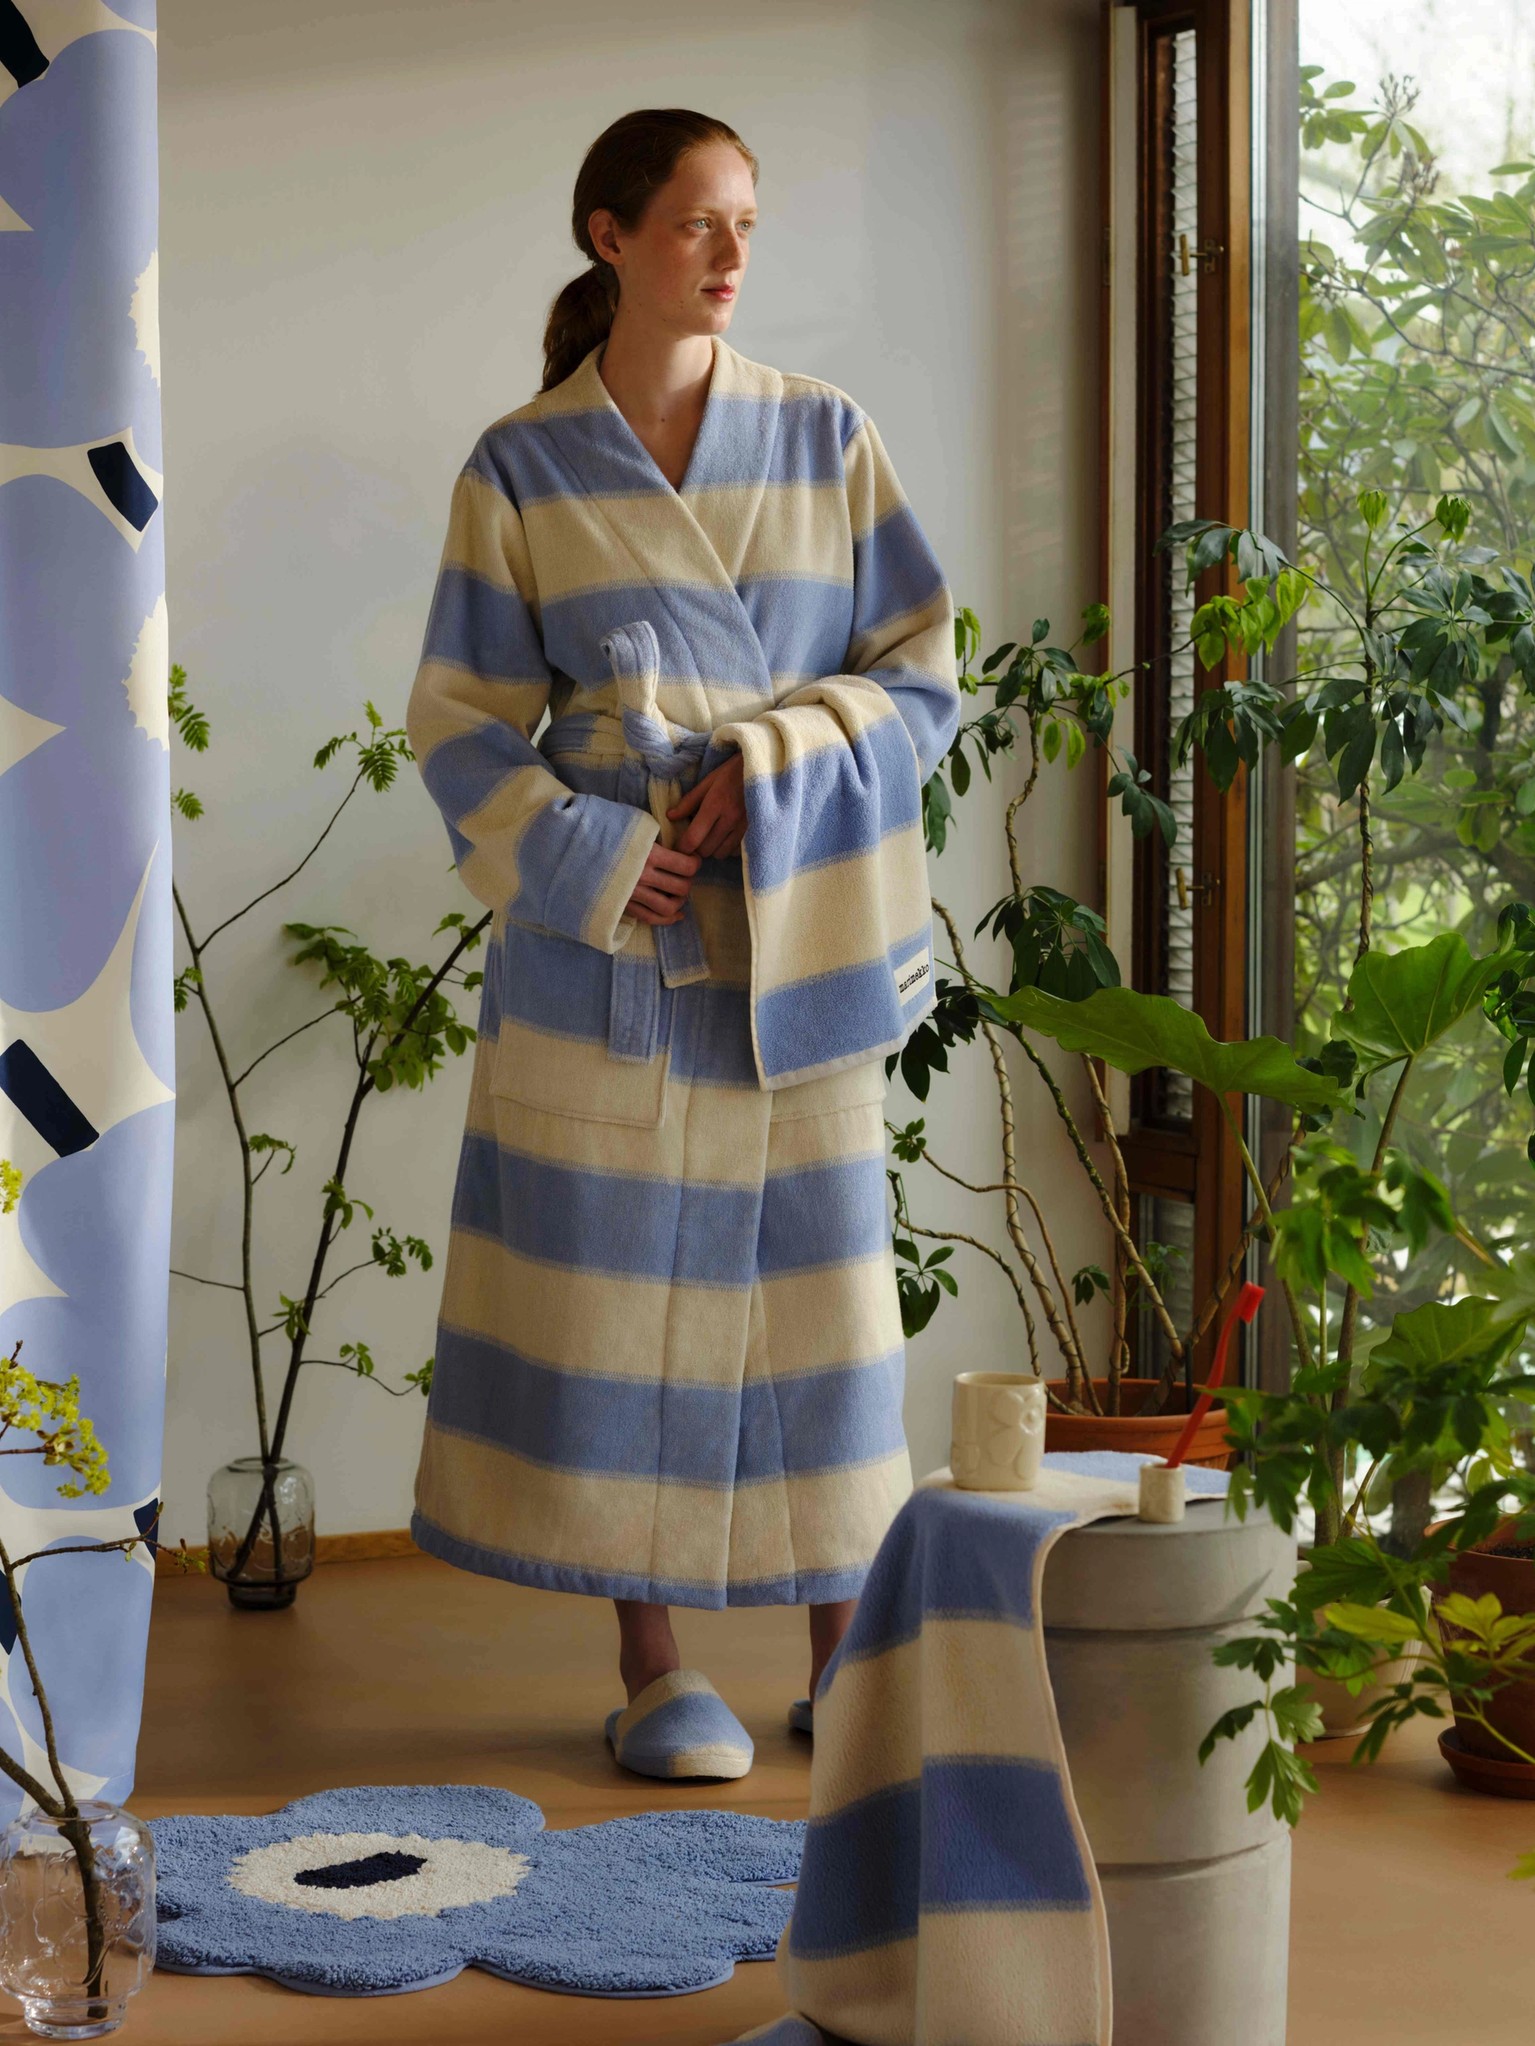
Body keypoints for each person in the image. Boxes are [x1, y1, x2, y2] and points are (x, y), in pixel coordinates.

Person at [406, 106, 959, 1782]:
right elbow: (458, 720)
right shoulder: (520, 464)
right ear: (611, 236)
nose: (730, 252)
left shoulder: (824, 435)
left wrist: (769, 761)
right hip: (617, 947)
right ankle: (650, 1668)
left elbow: (921, 670)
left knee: (817, 1310)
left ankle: (845, 1655)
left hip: (793, 925)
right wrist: (595, 849)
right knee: (615, 1299)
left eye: (746, 225)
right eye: (698, 222)